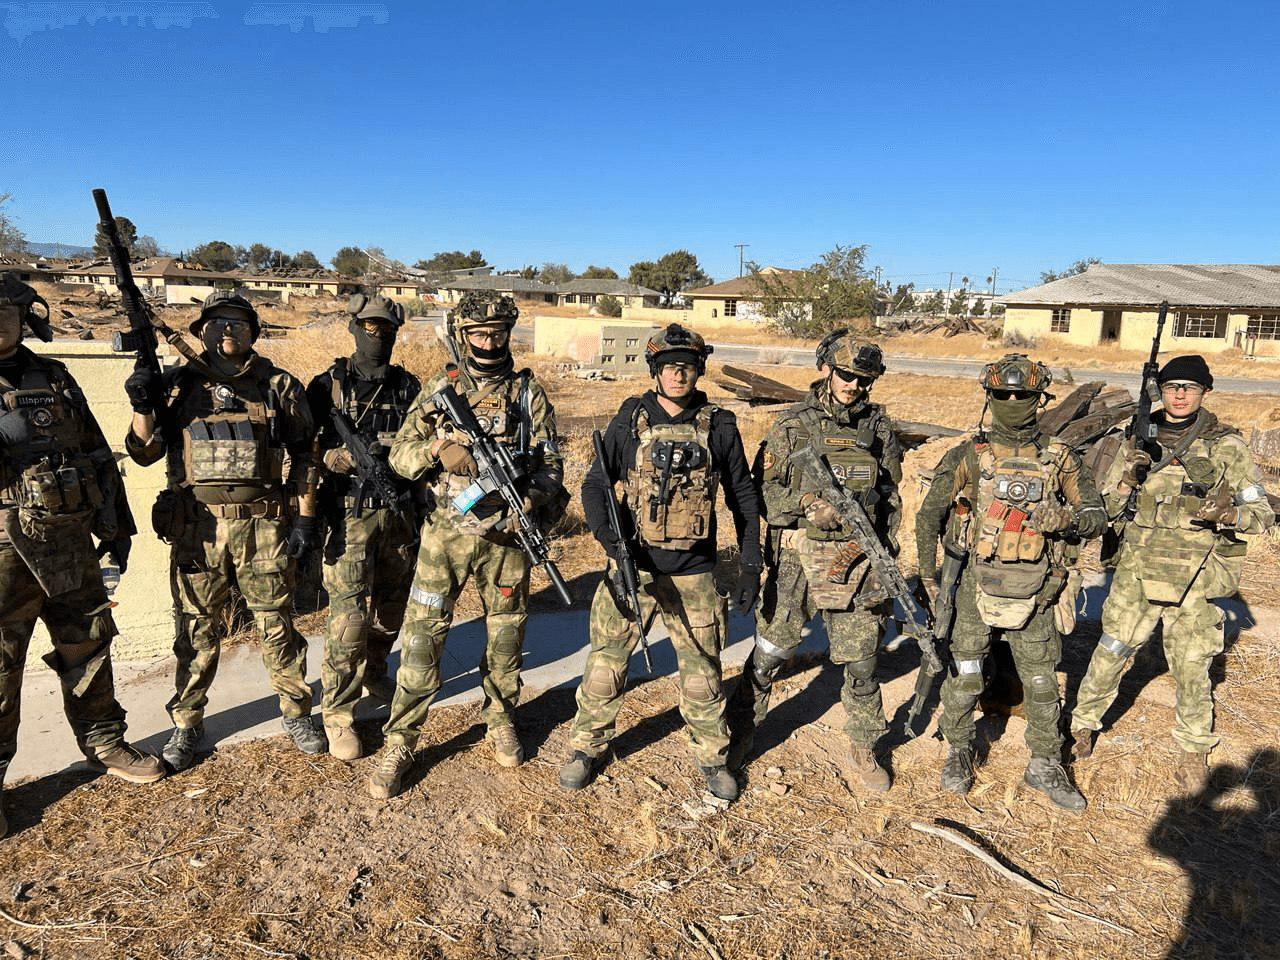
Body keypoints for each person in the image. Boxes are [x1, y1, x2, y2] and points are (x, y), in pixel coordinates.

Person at [366, 293, 565, 799]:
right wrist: (438, 448)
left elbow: (552, 464)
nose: (489, 342)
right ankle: (402, 739)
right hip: (446, 535)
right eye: (478, 333)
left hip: (506, 537)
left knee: (505, 634)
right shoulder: (441, 389)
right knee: (423, 636)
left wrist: (532, 495)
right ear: (462, 334)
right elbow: (401, 455)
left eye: (497, 333)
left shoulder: (527, 394)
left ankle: (500, 718)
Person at [559, 323, 762, 802]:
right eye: (670, 366)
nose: (679, 375)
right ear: (655, 370)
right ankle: (586, 747)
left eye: (687, 367)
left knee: (703, 673)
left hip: (695, 572)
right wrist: (615, 545)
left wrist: (751, 562)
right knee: (607, 664)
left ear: (698, 371)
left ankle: (712, 757)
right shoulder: (631, 418)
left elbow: (743, 497)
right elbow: (596, 485)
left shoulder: (720, 424)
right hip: (636, 566)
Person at [124, 290, 325, 771]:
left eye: (238, 322)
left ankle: (296, 712)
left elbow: (305, 454)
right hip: (199, 530)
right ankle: (187, 723)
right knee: (196, 632)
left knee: (276, 624)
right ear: (200, 332)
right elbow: (143, 450)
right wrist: (142, 402)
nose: (227, 330)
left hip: (264, 528)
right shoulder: (175, 385)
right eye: (216, 323)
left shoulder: (278, 385)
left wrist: (305, 517)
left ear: (254, 331)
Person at [0, 273, 164, 837]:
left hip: (70, 543)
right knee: (1, 665)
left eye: (7, 313)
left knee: (88, 643)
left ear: (25, 319)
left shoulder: (55, 376)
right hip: (4, 554)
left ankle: (105, 743)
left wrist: (117, 524)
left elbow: (94, 451)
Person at [1070, 355, 1274, 790]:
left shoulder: (1227, 447)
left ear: (1204, 392)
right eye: (1171, 386)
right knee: (1112, 648)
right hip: (1137, 569)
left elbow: (1262, 515)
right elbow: (1101, 512)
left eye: (1189, 387)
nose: (1179, 395)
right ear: (1159, 392)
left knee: (1191, 661)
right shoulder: (1136, 440)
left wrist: (1230, 513)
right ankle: (1083, 724)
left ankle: (1194, 745)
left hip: (1197, 573)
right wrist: (1126, 480)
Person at [916, 354, 1106, 810]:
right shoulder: (969, 454)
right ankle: (959, 749)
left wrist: (1068, 519)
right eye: (1004, 395)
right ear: (991, 397)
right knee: (965, 675)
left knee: (1042, 683)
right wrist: (928, 577)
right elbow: (929, 517)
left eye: (1024, 395)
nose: (1015, 402)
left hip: (1039, 589)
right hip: (973, 590)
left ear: (1041, 398)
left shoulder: (1060, 458)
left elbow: (1097, 516)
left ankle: (1045, 762)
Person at [727, 331, 902, 790]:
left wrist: (886, 546)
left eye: (865, 379)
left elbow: (890, 494)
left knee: (862, 662)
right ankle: (739, 733)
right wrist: (807, 504)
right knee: (770, 654)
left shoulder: (878, 429)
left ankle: (865, 745)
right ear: (826, 368)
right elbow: (761, 495)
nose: (855, 386)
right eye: (847, 375)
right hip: (797, 562)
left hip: (856, 558)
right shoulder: (792, 425)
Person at [305, 295, 422, 762]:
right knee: (348, 621)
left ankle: (376, 672)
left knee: (391, 611)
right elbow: (298, 447)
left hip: (400, 515)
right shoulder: (328, 386)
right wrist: (332, 457)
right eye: (370, 328)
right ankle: (338, 712)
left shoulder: (410, 386)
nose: (379, 336)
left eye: (387, 329)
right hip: (349, 518)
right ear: (354, 328)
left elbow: (427, 444)